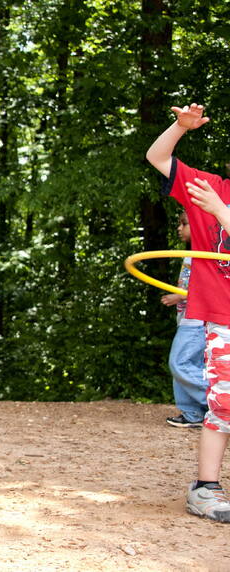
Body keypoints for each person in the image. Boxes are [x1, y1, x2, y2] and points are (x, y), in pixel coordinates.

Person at [147, 102, 230, 523]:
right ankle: (206, 487)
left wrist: (222, 213)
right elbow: (157, 157)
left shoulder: (216, 200)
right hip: (223, 317)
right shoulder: (209, 187)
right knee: (225, 405)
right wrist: (178, 128)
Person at [160, 211, 207, 428]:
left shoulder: (208, 254)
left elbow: (209, 287)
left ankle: (220, 403)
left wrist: (179, 295)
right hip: (187, 318)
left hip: (197, 320)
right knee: (188, 364)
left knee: (180, 363)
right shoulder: (193, 254)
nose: (179, 228)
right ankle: (192, 413)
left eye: (184, 224)